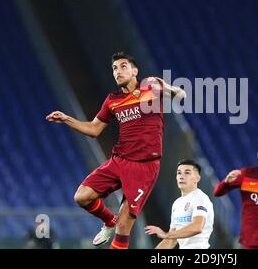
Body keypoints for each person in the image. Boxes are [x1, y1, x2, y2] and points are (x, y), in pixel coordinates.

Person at [46, 51, 186, 249]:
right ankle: (108, 221)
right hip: (119, 160)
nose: (118, 71)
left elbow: (181, 94)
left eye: (123, 66)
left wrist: (169, 89)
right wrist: (67, 119)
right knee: (82, 196)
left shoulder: (151, 88)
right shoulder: (113, 100)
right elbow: (94, 129)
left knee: (124, 227)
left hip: (144, 166)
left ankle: (116, 225)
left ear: (134, 70)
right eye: (114, 68)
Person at [144, 159, 214, 249]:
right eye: (179, 173)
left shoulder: (201, 198)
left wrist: (166, 234)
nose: (181, 176)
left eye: (187, 173)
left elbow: (197, 227)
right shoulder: (177, 204)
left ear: (197, 178)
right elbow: (171, 240)